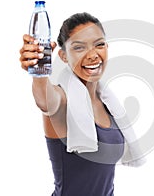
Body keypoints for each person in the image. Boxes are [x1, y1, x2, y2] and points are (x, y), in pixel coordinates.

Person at [19, 12, 144, 196]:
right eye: (79, 48)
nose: (93, 55)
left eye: (99, 44)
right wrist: (39, 73)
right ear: (63, 56)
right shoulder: (63, 100)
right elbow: (45, 101)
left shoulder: (109, 104)